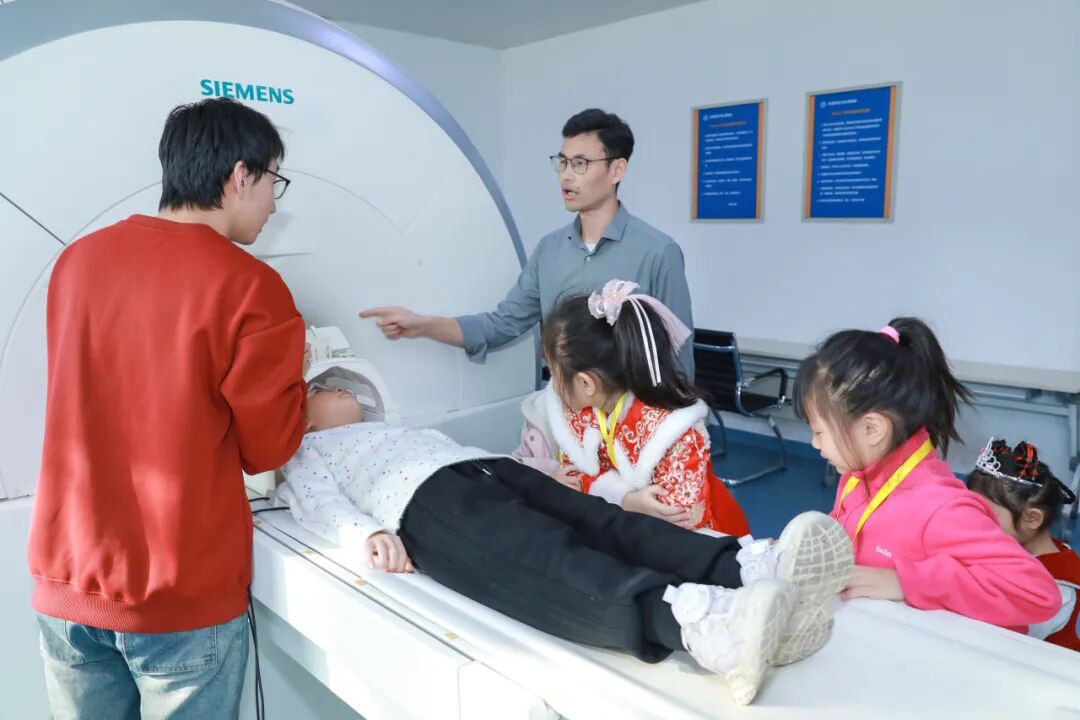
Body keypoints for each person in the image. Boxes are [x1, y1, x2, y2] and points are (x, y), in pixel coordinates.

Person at [279, 384, 855, 705]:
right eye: (319, 387)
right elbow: (320, 503)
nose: (335, 385)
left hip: (487, 467)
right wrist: (367, 532)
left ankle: (745, 567)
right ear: (300, 422)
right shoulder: (307, 452)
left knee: (606, 522)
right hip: (426, 506)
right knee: (548, 560)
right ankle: (702, 624)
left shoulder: (395, 428)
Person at [29, 97, 309, 719]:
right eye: (274, 181)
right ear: (241, 176)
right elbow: (269, 448)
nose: (273, 202)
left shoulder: (77, 261)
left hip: (67, 582)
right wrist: (306, 393)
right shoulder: (251, 286)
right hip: (179, 595)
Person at [360, 108, 696, 377]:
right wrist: (422, 324)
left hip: (632, 425)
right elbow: (501, 325)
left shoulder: (657, 252)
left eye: (580, 164)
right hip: (562, 419)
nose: (566, 175)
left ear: (617, 170)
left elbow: (678, 359)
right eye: (562, 162)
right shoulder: (550, 251)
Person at [794, 318, 1060, 628]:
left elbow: (1038, 595)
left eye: (819, 432)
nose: (814, 443)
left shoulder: (940, 508)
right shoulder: (858, 472)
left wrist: (906, 581)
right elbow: (853, 529)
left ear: (872, 429)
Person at [536, 280, 749, 536]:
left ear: (586, 384)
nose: (553, 383)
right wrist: (626, 500)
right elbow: (573, 476)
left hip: (703, 540)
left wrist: (605, 493)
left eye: (554, 371)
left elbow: (680, 525)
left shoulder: (675, 432)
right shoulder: (578, 408)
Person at [969, 438, 1080, 650]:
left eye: (987, 517)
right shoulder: (1013, 546)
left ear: (1032, 518)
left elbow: (1009, 640)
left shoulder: (1058, 585)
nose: (975, 525)